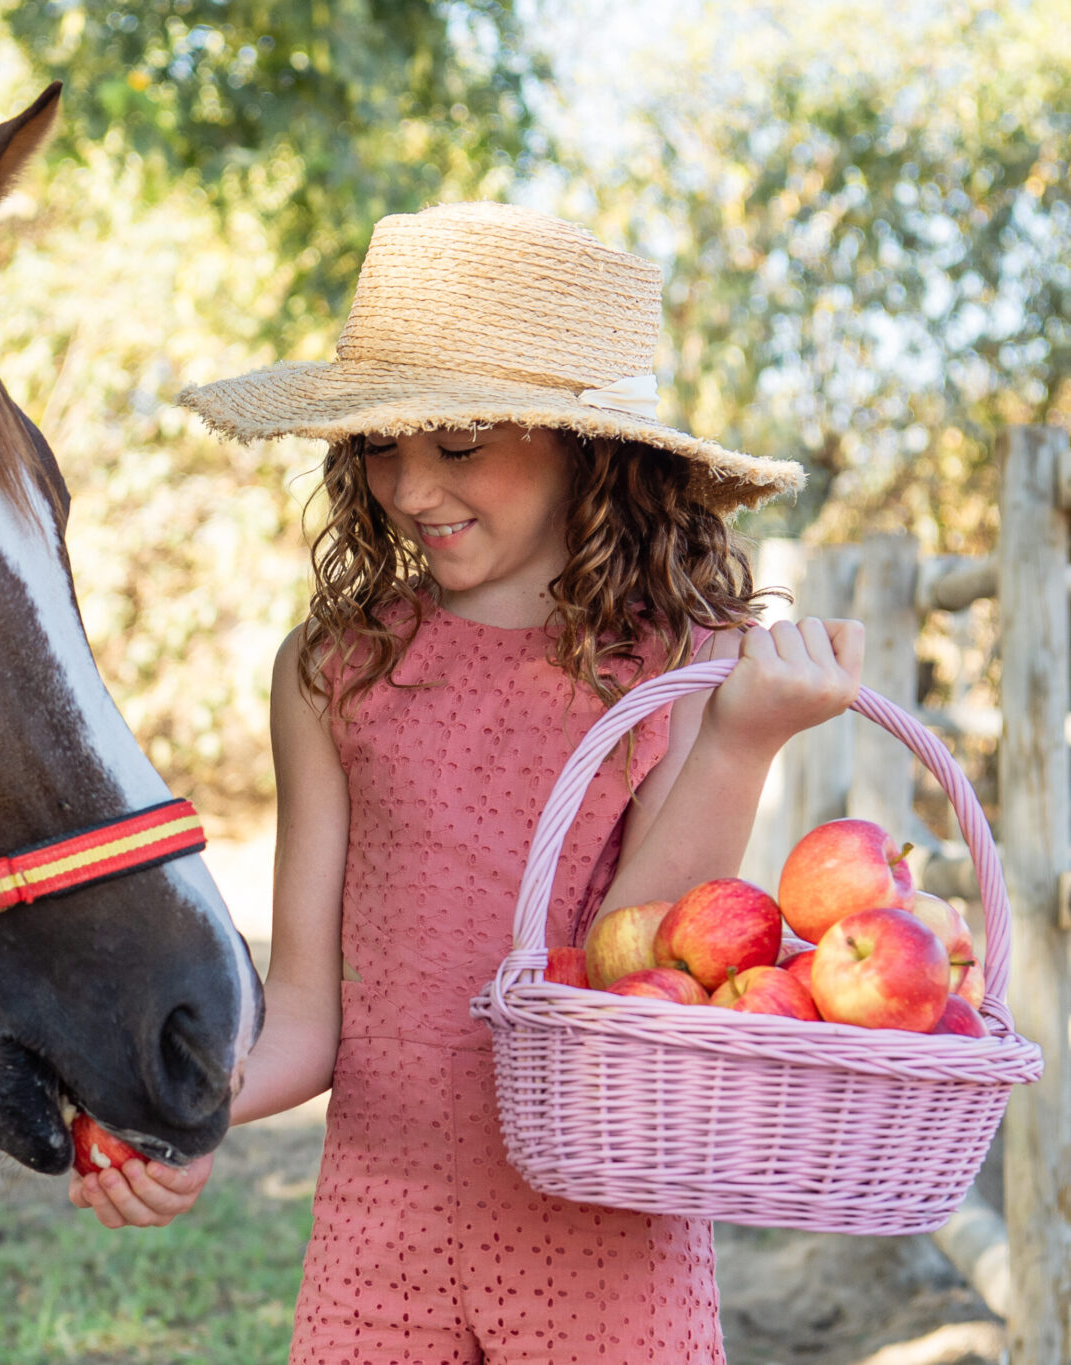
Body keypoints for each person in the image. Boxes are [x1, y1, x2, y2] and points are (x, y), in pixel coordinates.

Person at [71, 201, 864, 1363]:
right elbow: (304, 1015)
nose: (408, 487)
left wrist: (741, 743)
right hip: (378, 1235)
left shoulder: (687, 665)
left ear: (585, 446)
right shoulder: (335, 673)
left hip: (604, 1241)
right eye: (382, 445)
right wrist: (182, 1119)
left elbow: (626, 971)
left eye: (455, 443)